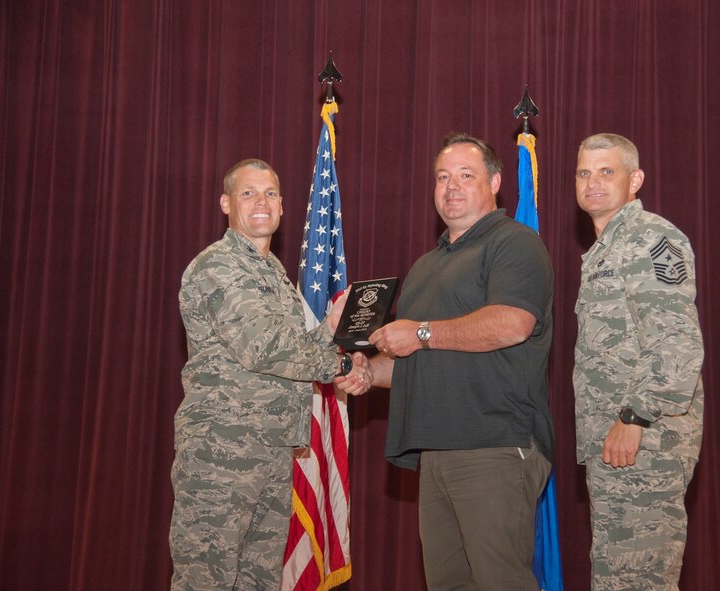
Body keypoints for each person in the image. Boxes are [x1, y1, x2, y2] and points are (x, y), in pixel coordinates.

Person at [170, 158, 371, 590]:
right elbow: (264, 349)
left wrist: (331, 329)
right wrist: (342, 365)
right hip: (221, 453)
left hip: (274, 449)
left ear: (281, 206)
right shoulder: (218, 266)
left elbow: (293, 356)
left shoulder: (275, 276)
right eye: (248, 193)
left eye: (271, 194)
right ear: (226, 203)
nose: (261, 202)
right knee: (206, 579)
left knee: (259, 581)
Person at [366, 133, 555, 591]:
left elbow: (511, 325)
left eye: (466, 176)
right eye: (442, 177)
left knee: (499, 583)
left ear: (494, 182)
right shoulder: (425, 265)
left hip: (494, 443)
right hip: (435, 450)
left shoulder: (515, 243)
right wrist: (367, 372)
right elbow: (418, 360)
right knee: (447, 584)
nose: (451, 186)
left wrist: (421, 332)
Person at [572, 133, 704, 590]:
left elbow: (676, 339)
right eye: (584, 173)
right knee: (617, 576)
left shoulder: (651, 237)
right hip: (614, 443)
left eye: (607, 172)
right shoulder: (604, 249)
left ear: (635, 180)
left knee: (637, 578)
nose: (593, 183)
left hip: (647, 439)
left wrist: (635, 415)